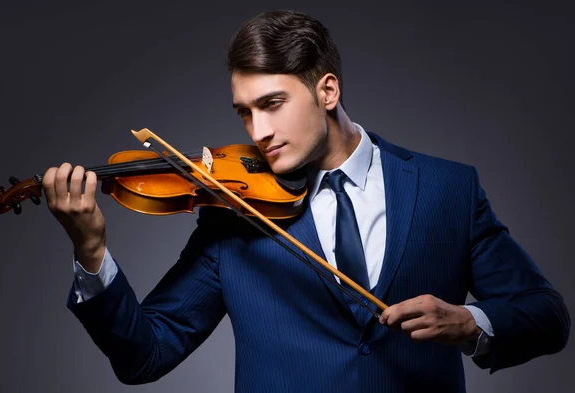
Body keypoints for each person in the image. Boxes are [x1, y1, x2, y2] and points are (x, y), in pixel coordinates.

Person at [42, 10, 570, 392]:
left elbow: (546, 316)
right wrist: (91, 253)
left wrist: (471, 323)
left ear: (328, 91)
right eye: (245, 112)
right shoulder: (233, 216)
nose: (259, 130)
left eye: (272, 104)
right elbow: (145, 356)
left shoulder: (448, 189)